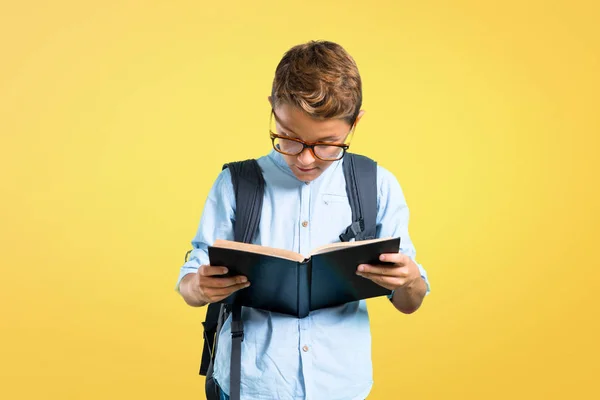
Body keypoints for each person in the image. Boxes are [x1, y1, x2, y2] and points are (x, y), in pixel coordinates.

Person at [175, 40, 430, 400]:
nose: (306, 160)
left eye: (327, 144)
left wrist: (409, 279)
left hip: (341, 386)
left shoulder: (377, 185)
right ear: (272, 109)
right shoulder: (236, 183)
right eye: (289, 138)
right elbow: (192, 279)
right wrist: (198, 286)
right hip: (249, 385)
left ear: (355, 123)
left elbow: (410, 301)